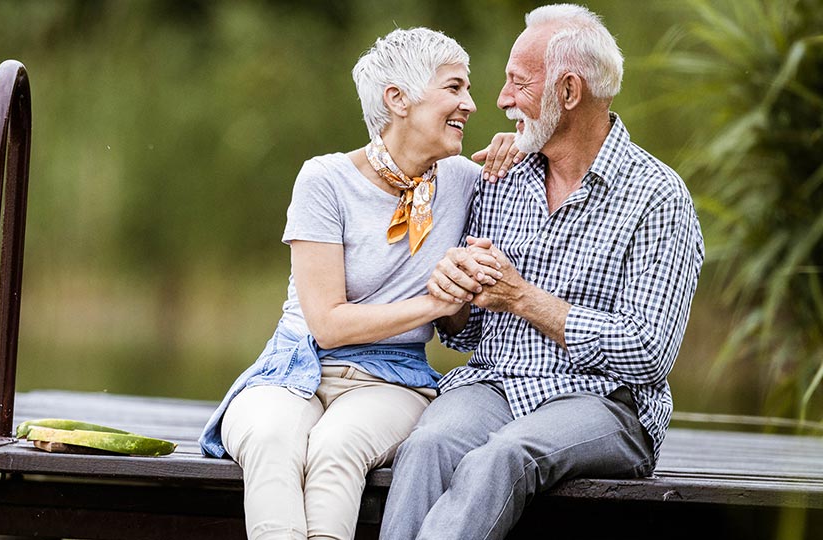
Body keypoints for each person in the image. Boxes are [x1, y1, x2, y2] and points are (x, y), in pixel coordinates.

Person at [380, 4, 705, 539]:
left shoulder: (657, 196)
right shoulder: (502, 176)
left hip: (604, 403)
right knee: (427, 446)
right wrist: (456, 295)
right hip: (493, 385)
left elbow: (648, 354)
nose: (502, 99)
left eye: (517, 83)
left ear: (569, 92)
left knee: (501, 458)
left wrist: (522, 298)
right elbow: (463, 335)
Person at [198, 28, 521, 540]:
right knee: (270, 440)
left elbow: (548, 156)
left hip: (393, 379)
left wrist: (518, 143)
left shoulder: (464, 180)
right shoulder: (324, 180)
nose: (472, 105)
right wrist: (432, 304)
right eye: (455, 88)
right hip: (294, 366)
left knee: (334, 449)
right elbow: (326, 325)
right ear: (398, 99)